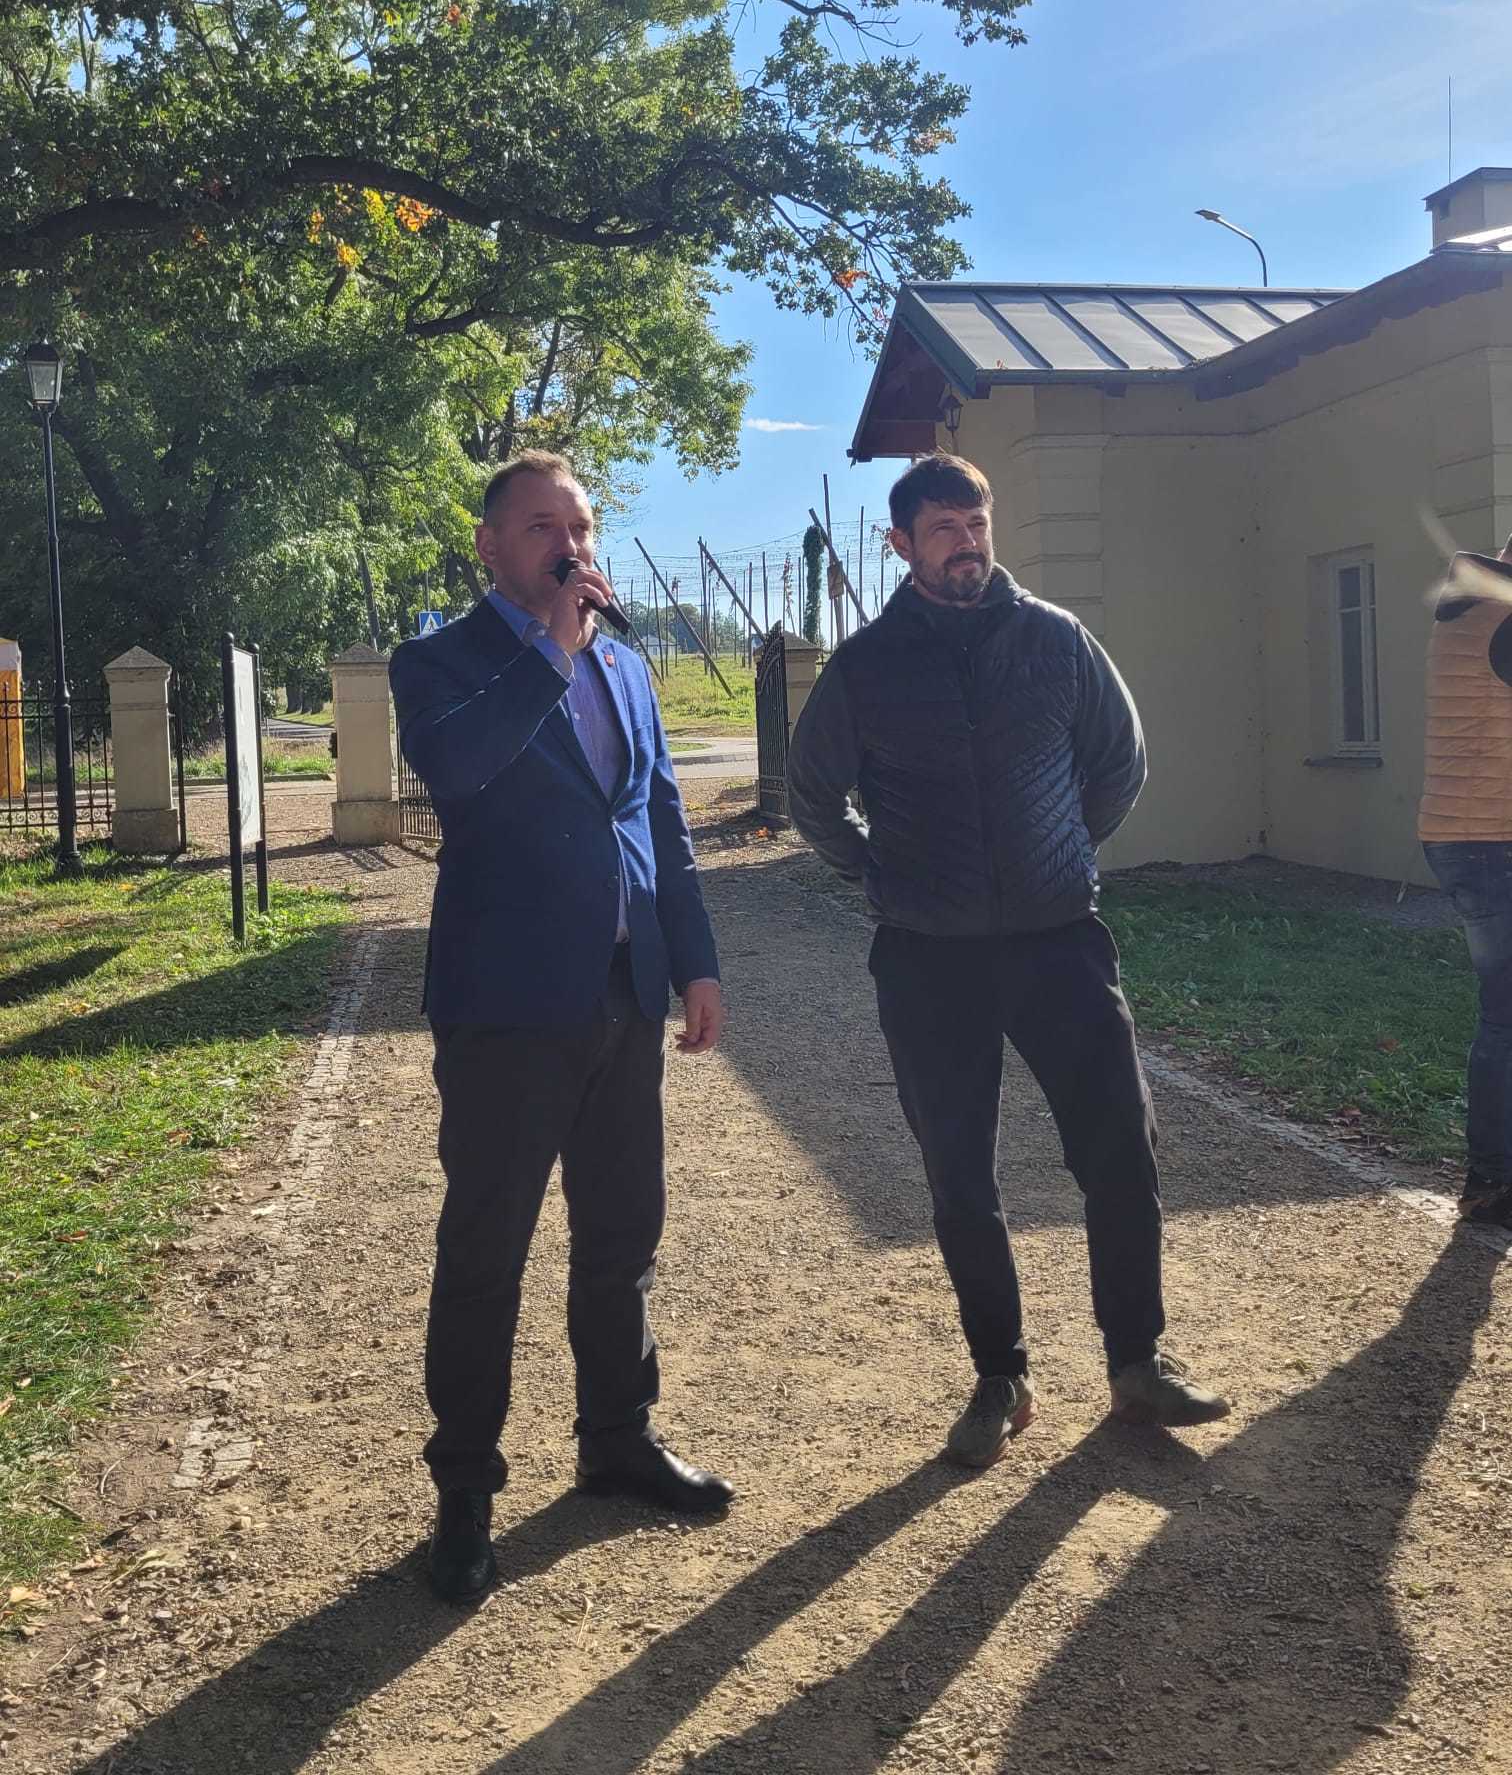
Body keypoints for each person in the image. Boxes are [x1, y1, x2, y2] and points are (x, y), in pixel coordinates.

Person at [785, 453, 1228, 1468]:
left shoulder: (1056, 640)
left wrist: (1062, 847)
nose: (967, 543)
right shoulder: (866, 666)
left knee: (1120, 1150)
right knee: (959, 1174)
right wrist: (878, 871)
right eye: (944, 528)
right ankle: (1001, 1377)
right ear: (901, 544)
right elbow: (813, 796)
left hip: (1058, 940)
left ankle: (1137, 1364)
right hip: (927, 958)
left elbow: (1118, 763)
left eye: (977, 523)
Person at [390, 451, 732, 1605]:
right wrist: (548, 651)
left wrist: (696, 962)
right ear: (490, 545)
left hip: (625, 993)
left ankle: (617, 1438)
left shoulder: (626, 665)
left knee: (623, 1233)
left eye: (579, 526)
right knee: (486, 1253)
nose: (568, 546)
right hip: (505, 1007)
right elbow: (458, 771)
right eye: (542, 527)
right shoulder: (439, 662)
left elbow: (662, 825)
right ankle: (464, 1491)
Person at [1418, 538, 1512, 1227]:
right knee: (1505, 1017)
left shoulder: (1469, 610)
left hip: (1461, 834)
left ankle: (1493, 1175)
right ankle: (1492, 1180)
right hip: (1492, 841)